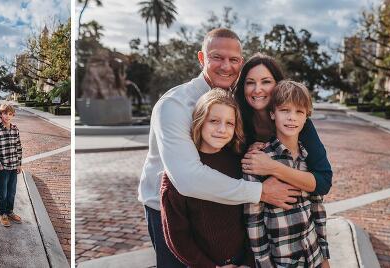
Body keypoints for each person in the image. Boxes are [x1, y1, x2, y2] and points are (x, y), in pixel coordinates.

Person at [137, 28, 299, 266]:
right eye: (217, 57)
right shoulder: (174, 105)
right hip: (171, 215)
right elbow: (187, 179)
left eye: (233, 60)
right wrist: (262, 192)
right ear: (201, 58)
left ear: (241, 63)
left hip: (220, 211)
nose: (226, 66)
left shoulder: (235, 101)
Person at [161, 89, 254, 267]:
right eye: (213, 121)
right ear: (200, 121)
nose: (222, 129)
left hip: (243, 261)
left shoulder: (239, 161)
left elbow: (251, 218)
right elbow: (177, 237)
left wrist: (248, 262)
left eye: (229, 123)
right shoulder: (179, 171)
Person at [244, 81, 330, 268]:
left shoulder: (309, 160)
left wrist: (324, 257)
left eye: (299, 112)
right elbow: (254, 222)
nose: (292, 118)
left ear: (306, 117)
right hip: (282, 261)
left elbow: (318, 211)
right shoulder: (258, 160)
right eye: (285, 110)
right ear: (272, 114)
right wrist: (265, 265)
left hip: (313, 256)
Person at [235, 53, 333, 196]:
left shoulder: (299, 124)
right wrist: (263, 193)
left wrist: (273, 167)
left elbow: (324, 182)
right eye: (250, 82)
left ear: (278, 84)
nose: (257, 89)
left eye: (266, 82)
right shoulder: (235, 121)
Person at [0, 104, 24, 227]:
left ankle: (10, 211)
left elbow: (18, 147)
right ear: (0, 115)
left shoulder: (15, 129)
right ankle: (2, 213)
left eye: (10, 114)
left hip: (14, 166)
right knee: (3, 192)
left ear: (13, 115)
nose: (8, 116)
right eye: (5, 114)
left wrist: (19, 163)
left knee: (12, 191)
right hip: (3, 168)